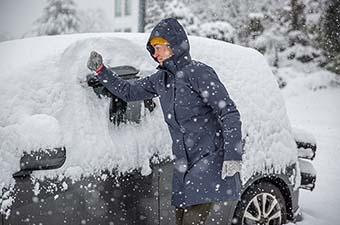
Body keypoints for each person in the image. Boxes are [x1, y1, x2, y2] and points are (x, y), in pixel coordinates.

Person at [87, 18, 243, 225]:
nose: (155, 54)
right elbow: (129, 91)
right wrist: (101, 72)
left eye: (159, 47)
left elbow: (229, 113)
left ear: (175, 45)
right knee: (181, 220)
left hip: (208, 159)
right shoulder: (161, 80)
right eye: (153, 49)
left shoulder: (199, 73)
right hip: (183, 163)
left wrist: (233, 155)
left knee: (191, 221)